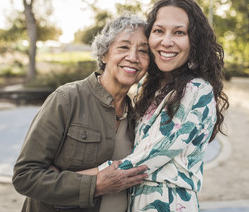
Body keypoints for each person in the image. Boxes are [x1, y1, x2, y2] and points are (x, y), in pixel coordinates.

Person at [84, 0, 229, 211]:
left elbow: (143, 160)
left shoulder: (197, 90)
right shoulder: (150, 87)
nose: (166, 41)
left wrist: (74, 179)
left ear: (194, 40)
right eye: (159, 31)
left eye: (179, 32)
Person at [12, 14, 150, 212]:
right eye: (124, 47)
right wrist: (95, 185)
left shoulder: (139, 117)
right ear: (104, 54)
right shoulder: (67, 99)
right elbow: (25, 176)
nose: (133, 57)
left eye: (143, 51)